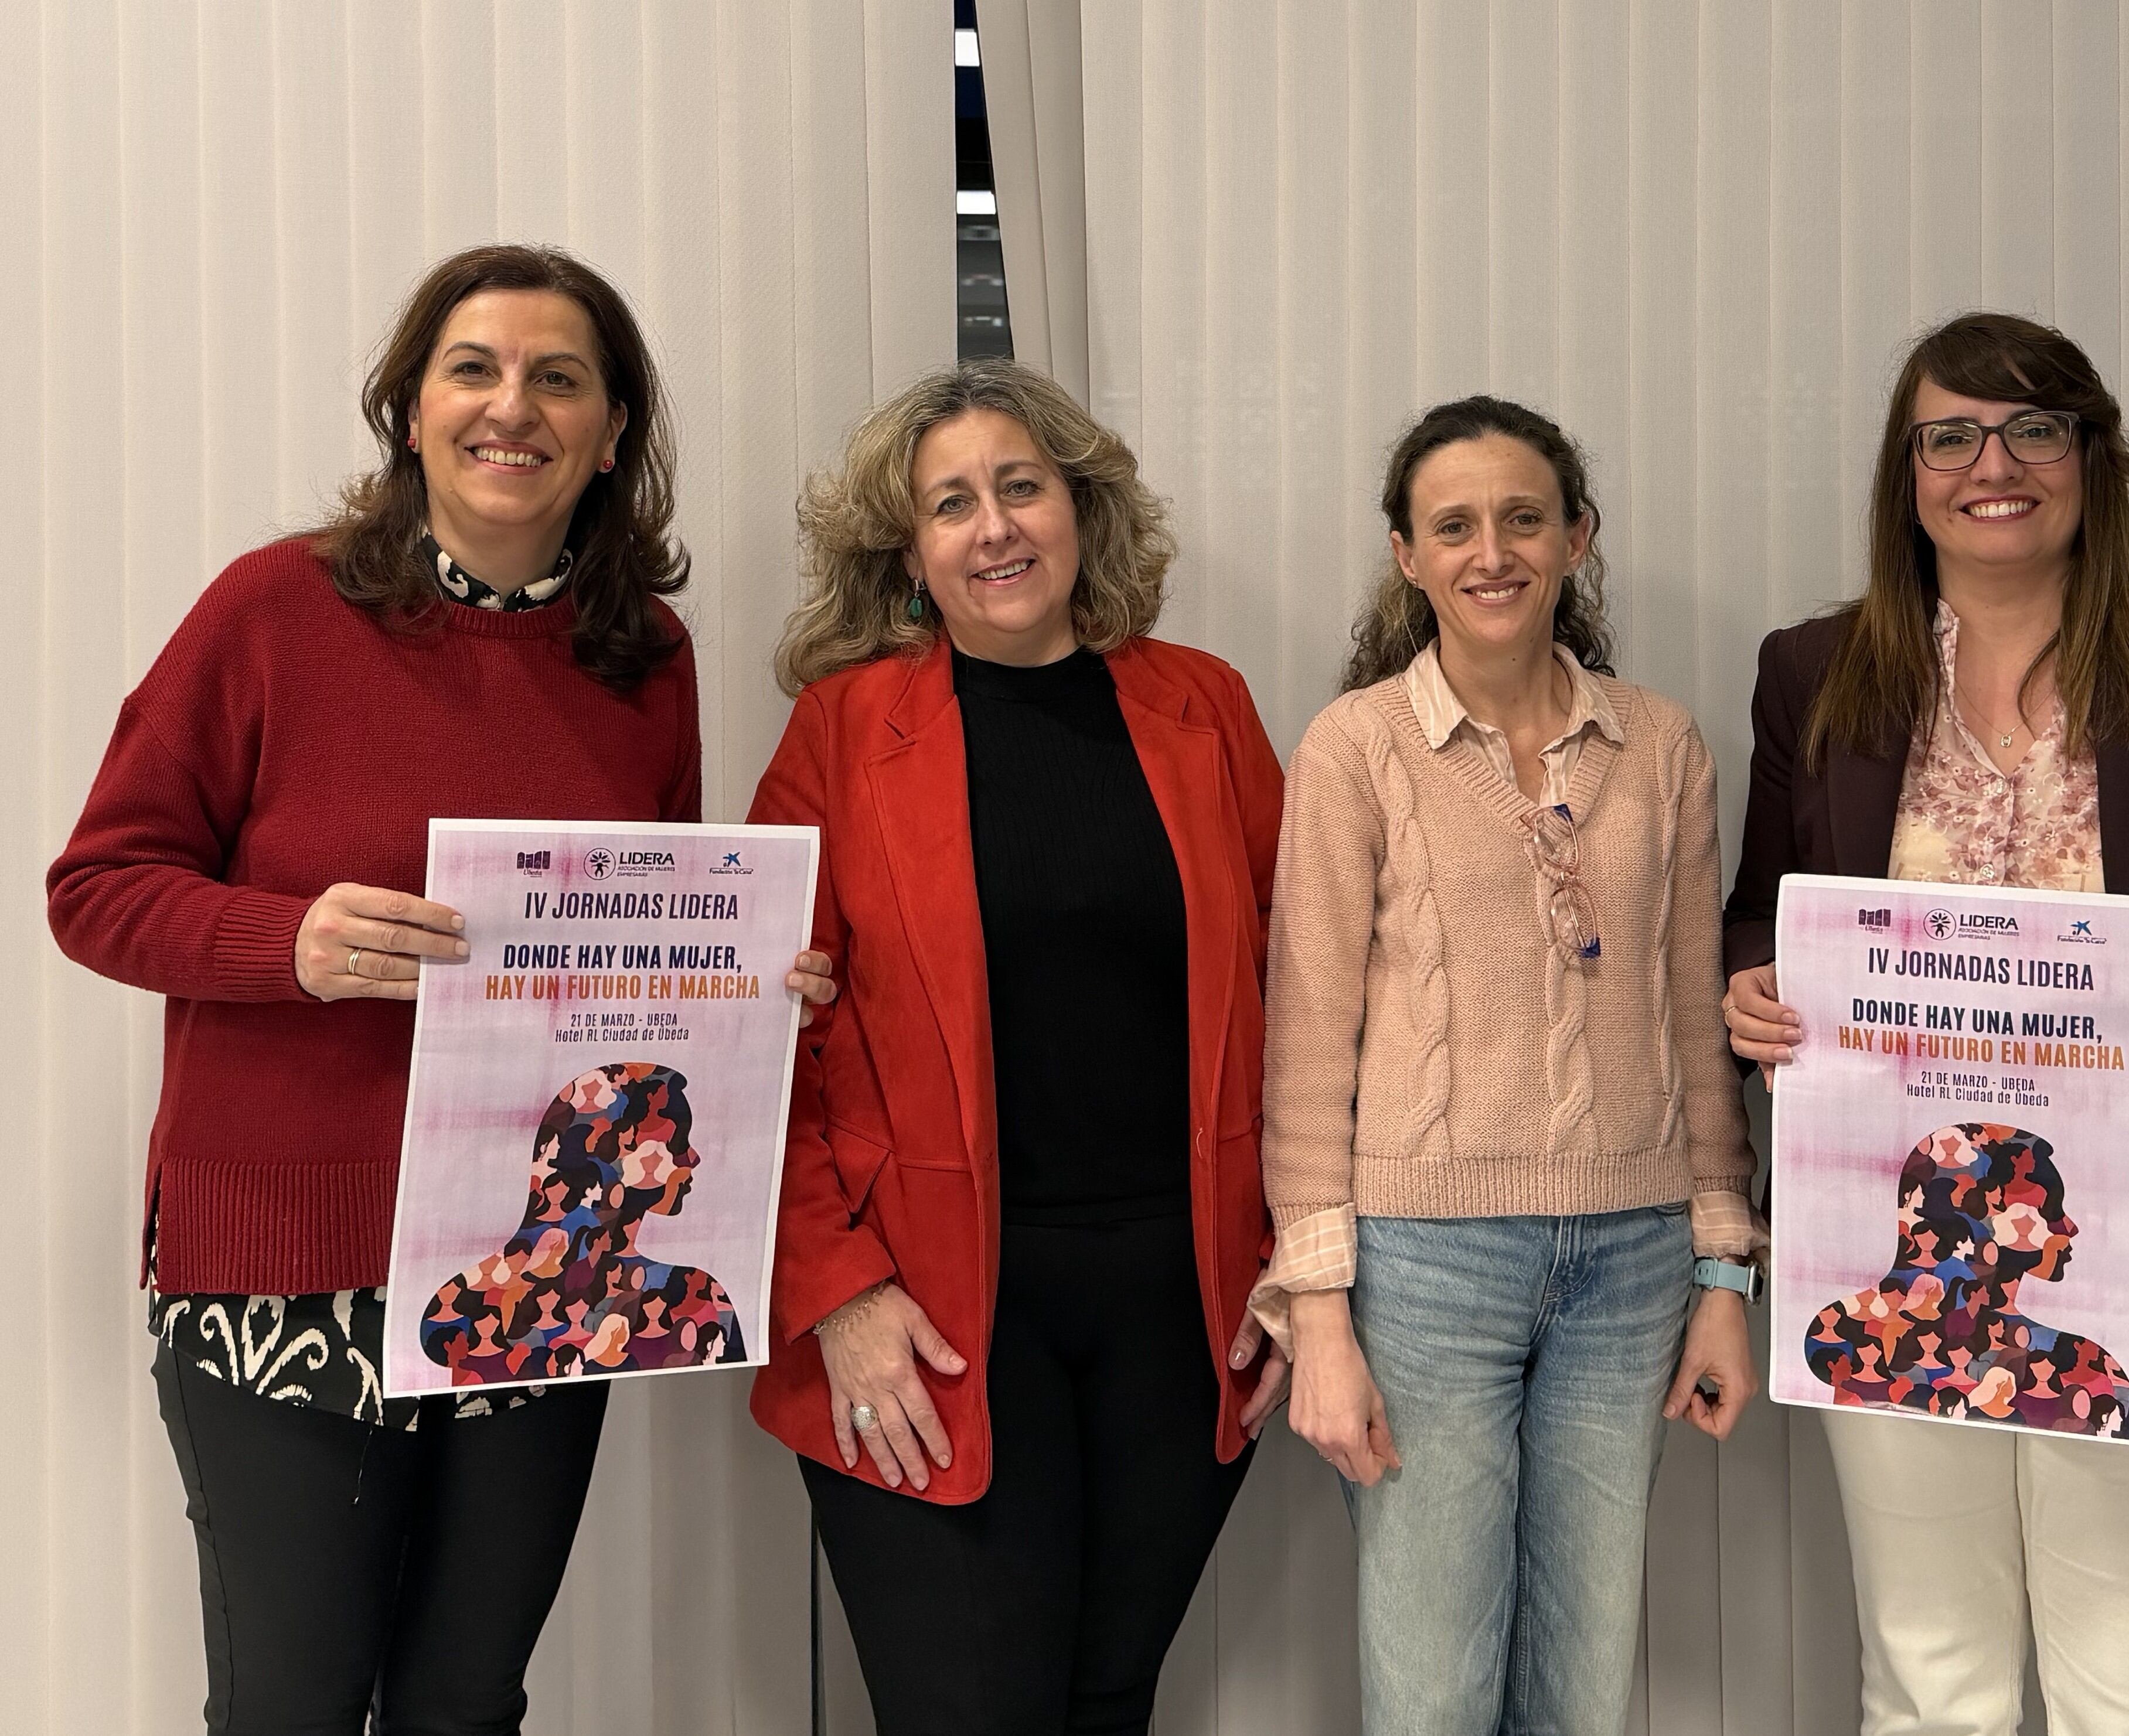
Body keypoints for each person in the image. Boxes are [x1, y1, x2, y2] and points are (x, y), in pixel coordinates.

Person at [43, 243, 823, 1734]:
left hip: (543, 1276)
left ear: (611, 433)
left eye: (558, 378)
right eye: (473, 368)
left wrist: (742, 980)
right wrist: (288, 946)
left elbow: (631, 956)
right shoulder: (273, 612)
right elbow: (95, 888)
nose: (510, 407)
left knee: (468, 1703)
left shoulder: (643, 656)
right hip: (286, 1259)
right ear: (410, 409)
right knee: (292, 1704)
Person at [1722, 311, 2129, 1735]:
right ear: (1907, 473)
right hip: (1896, 1263)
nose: (1990, 464)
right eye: (1950, 434)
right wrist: (1755, 984)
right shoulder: (1816, 675)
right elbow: (1758, 910)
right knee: (1928, 1681)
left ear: (2090, 455)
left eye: (2032, 429)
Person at [747, 358, 1289, 1736]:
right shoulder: (843, 733)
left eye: (1020, 486)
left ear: (1079, 509)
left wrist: (1307, 1261)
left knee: (1106, 1698)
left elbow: (1309, 993)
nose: (993, 526)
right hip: (920, 1309)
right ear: (909, 553)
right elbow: (757, 1039)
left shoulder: (1206, 707)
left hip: (1184, 1303)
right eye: (950, 503)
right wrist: (834, 1291)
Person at [1254, 395, 1762, 1734]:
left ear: (1577, 538)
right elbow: (1306, 1047)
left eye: (1525, 519)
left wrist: (1722, 1269)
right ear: (1407, 555)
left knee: (1583, 1684)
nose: (1494, 551)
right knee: (1432, 1684)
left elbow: (1695, 1022)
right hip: (1425, 1264)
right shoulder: (1355, 749)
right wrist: (1316, 1309)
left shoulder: (1662, 746)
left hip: (1638, 1260)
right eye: (1455, 526)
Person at [1806, 1121, 2129, 1441]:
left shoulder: (1849, 1338)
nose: (2070, 1227)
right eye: (2051, 1209)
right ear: (1991, 1212)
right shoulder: (2090, 1367)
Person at [420, 1062, 746, 1383]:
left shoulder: (698, 1296)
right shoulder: (468, 1303)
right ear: (619, 1153)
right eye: (677, 1142)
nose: (692, 1157)